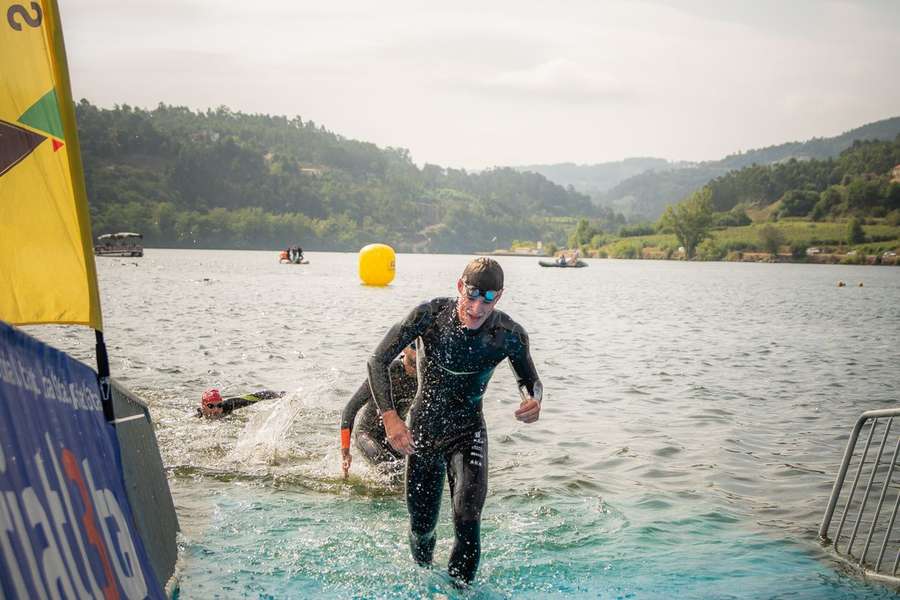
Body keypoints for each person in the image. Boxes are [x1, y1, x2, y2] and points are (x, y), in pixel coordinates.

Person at [366, 256, 542, 584]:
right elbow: (377, 360)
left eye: (485, 302)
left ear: (498, 297)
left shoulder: (508, 334)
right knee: (422, 526)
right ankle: (423, 578)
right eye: (470, 297)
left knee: (467, 518)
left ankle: (460, 591)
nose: (475, 309)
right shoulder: (428, 316)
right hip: (423, 433)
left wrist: (533, 401)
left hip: (468, 433)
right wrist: (390, 417)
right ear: (460, 286)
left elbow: (529, 380)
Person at [340, 343, 417, 478]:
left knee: (412, 469)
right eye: (413, 347)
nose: (418, 352)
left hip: (394, 437)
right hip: (367, 435)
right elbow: (349, 410)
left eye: (420, 347)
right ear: (404, 348)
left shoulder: (424, 377)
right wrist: (345, 453)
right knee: (387, 468)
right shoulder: (387, 372)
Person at [196, 388, 285, 418]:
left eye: (219, 405)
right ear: (203, 406)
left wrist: (279, 395)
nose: (216, 409)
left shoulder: (228, 405)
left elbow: (258, 396)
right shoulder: (199, 415)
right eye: (211, 406)